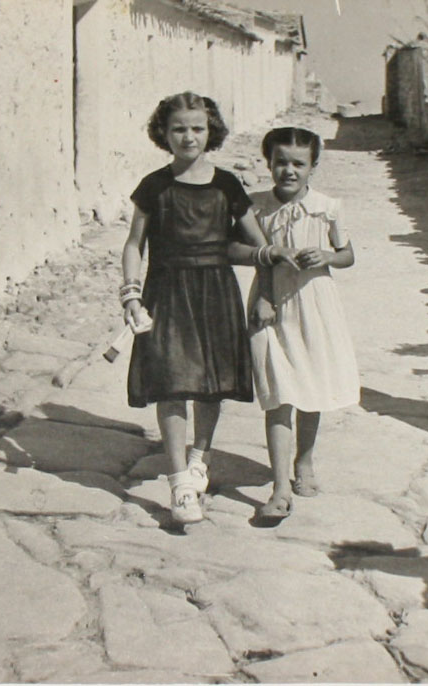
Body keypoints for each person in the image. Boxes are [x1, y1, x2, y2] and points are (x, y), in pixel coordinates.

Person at [121, 92, 276, 524]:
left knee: (210, 383)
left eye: (197, 128)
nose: (188, 137)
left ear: (211, 132)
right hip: (166, 292)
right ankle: (179, 485)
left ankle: (199, 458)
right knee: (170, 383)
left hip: (215, 293)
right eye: (178, 129)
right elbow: (134, 244)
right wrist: (130, 294)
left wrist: (265, 293)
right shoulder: (154, 185)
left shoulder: (227, 184)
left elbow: (260, 246)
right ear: (163, 133)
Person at [248, 126, 360, 521]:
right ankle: (280, 488)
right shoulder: (256, 207)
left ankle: (305, 461)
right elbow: (240, 250)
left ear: (313, 166)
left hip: (314, 305)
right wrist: (263, 290)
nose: (289, 171)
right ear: (269, 163)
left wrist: (327, 257)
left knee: (312, 387)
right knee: (277, 392)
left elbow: (347, 254)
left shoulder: (327, 207)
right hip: (271, 304)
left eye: (299, 163)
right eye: (281, 162)